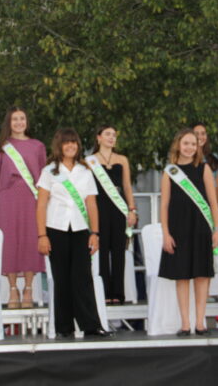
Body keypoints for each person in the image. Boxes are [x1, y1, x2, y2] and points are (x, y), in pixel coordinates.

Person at [36, 128, 111, 338]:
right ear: (59, 146)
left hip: (80, 230)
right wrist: (42, 236)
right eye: (66, 143)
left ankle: (90, 325)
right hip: (55, 229)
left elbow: (91, 204)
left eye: (74, 143)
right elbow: (41, 205)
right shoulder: (49, 171)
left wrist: (95, 232)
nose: (70, 146)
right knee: (61, 279)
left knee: (83, 277)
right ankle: (64, 327)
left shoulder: (85, 171)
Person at [159, 129, 218, 336]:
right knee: (182, 276)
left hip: (201, 227)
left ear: (198, 147)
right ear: (178, 145)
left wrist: (216, 229)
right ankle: (185, 323)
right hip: (178, 228)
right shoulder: (170, 171)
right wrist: (166, 234)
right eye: (186, 143)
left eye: (193, 144)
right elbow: (164, 205)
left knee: (202, 275)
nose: (190, 147)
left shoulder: (203, 169)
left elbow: (213, 202)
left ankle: (200, 322)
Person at [0, 107, 46, 309]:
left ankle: (28, 288)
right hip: (8, 197)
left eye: (22, 118)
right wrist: (3, 194)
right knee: (10, 241)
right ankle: (13, 288)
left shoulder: (37, 146)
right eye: (15, 119)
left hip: (31, 197)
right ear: (9, 122)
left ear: (27, 122)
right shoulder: (0, 147)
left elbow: (43, 174)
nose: (19, 122)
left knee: (31, 239)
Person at [86, 125, 137, 305]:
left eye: (114, 135)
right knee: (102, 248)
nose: (111, 138)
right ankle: (104, 291)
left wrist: (132, 209)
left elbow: (127, 186)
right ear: (98, 137)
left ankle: (119, 292)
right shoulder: (89, 161)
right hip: (99, 207)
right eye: (107, 134)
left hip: (118, 206)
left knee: (118, 250)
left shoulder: (122, 159)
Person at [193, 123, 218, 226]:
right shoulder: (187, 158)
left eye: (203, 133)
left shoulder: (212, 158)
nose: (200, 137)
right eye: (196, 133)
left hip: (211, 207)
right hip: (194, 205)